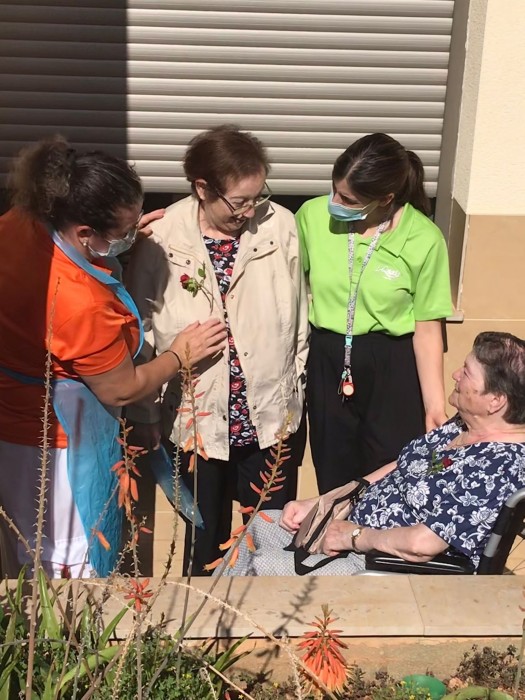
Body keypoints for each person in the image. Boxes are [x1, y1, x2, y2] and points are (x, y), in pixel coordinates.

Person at [0, 136, 227, 579]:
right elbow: (121, 387)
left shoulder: (20, 222)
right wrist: (180, 354)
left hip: (12, 416)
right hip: (54, 443)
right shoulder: (79, 301)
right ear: (84, 233)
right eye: (121, 231)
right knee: (69, 555)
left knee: (26, 539)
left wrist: (122, 240)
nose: (131, 234)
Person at [125, 124, 309, 576]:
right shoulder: (161, 235)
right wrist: (146, 413)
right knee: (203, 540)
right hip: (196, 421)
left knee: (271, 540)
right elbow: (140, 331)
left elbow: (299, 319)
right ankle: (204, 615)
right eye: (238, 201)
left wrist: (294, 389)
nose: (249, 211)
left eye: (257, 198)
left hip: (269, 421)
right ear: (202, 188)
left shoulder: (280, 225)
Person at [223, 332, 525, 576]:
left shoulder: (498, 467)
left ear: (495, 401)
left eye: (467, 373)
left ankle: (224, 629)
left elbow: (423, 544)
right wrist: (324, 502)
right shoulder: (461, 427)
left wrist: (354, 536)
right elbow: (404, 466)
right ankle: (207, 629)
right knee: (257, 526)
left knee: (258, 569)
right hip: (350, 527)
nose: (456, 374)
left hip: (381, 563)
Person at [296, 133, 453, 494]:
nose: (335, 203)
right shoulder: (312, 217)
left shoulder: (424, 238)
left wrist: (434, 407)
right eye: (334, 191)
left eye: (348, 199)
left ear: (385, 199)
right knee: (334, 476)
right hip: (328, 359)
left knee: (391, 474)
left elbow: (428, 328)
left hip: (392, 365)